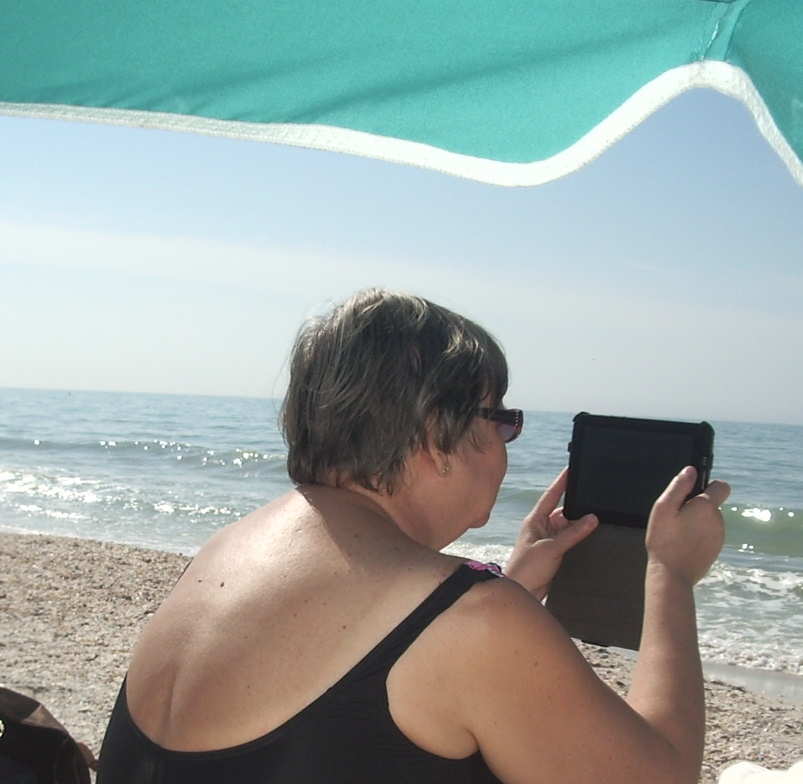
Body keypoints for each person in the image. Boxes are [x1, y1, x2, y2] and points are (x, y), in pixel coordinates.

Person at [96, 288, 731, 784]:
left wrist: (513, 586)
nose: (508, 443)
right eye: (501, 419)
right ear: (436, 435)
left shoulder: (225, 551)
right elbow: (664, 775)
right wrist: (670, 575)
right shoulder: (475, 625)